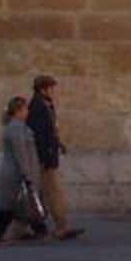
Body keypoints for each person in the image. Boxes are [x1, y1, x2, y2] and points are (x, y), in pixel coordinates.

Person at [27, 75, 83, 240]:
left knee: (41, 192)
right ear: (42, 89)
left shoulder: (45, 105)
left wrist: (59, 143)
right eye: (50, 88)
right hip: (45, 158)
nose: (53, 91)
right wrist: (46, 157)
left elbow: (50, 131)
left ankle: (20, 227)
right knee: (52, 192)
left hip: (48, 155)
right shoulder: (37, 107)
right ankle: (61, 226)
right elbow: (40, 135)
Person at [0, 96, 48, 244]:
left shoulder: (18, 127)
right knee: (13, 206)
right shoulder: (16, 129)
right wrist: (28, 175)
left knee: (22, 205)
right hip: (16, 175)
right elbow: (21, 155)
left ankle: (40, 231)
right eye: (26, 109)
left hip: (17, 174)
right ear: (18, 111)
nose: (28, 111)